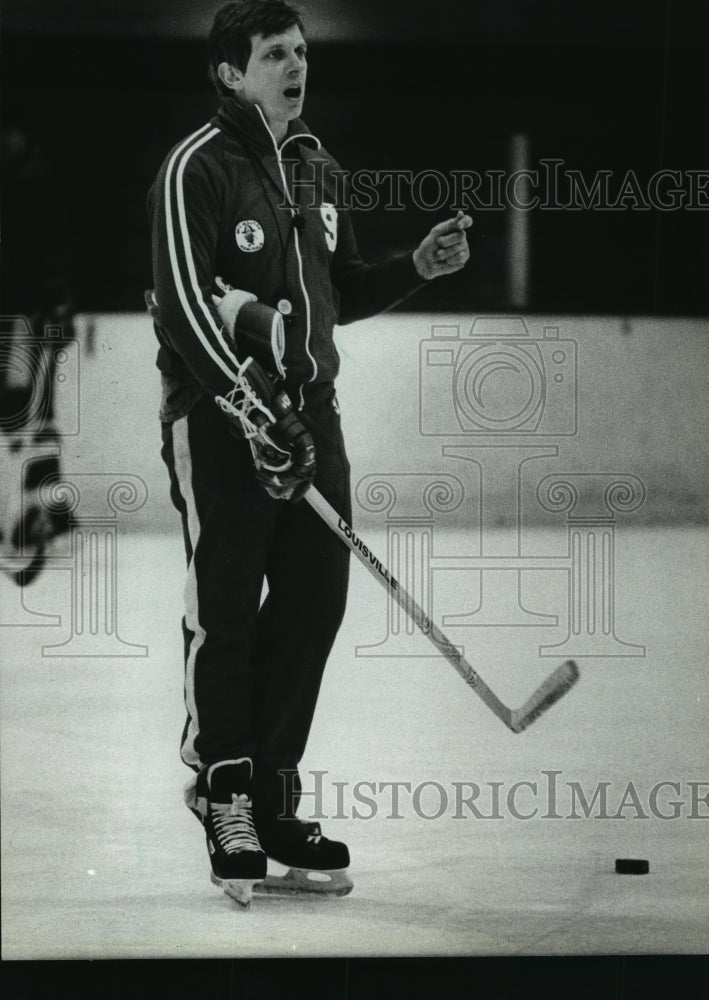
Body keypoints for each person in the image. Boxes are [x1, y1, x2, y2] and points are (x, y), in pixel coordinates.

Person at [147, 0, 471, 907]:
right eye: (275, 54)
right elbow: (180, 306)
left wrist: (418, 266)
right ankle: (226, 796)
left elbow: (337, 292)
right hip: (217, 418)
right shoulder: (193, 169)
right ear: (228, 72)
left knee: (314, 601)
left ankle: (274, 798)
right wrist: (253, 411)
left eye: (301, 51)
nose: (296, 66)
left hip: (309, 417)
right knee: (227, 609)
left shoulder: (317, 166)